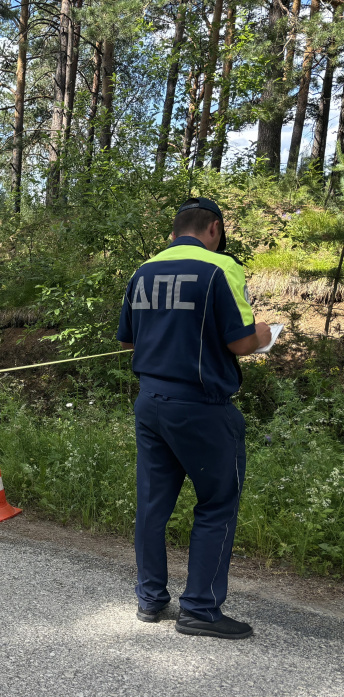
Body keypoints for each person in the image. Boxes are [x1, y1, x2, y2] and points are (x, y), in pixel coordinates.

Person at [116, 197, 272, 640]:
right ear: (214, 229)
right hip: (201, 406)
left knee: (152, 503)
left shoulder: (142, 271)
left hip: (150, 402)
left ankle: (150, 598)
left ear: (172, 233)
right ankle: (200, 609)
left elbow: (129, 342)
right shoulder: (220, 268)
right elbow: (242, 344)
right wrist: (262, 335)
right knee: (218, 502)